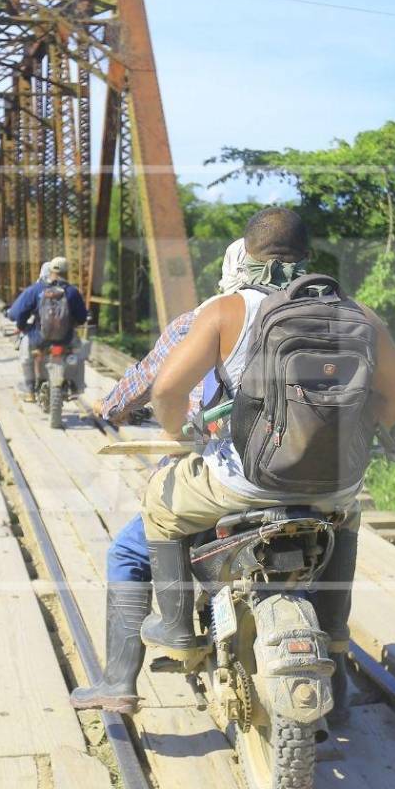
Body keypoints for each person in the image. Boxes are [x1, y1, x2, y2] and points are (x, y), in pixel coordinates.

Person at [139, 207, 395, 724]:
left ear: (247, 254)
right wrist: (359, 430)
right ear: (307, 255)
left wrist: (179, 433)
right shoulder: (357, 313)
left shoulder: (226, 310)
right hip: (334, 484)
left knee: (159, 505)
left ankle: (176, 629)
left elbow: (167, 391)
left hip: (244, 481)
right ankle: (333, 641)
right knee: (347, 517)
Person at [69, 239, 247, 716]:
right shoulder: (312, 317)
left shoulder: (200, 321)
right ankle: (335, 674)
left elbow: (149, 381)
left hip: (220, 477)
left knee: (129, 552)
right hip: (306, 478)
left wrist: (112, 406)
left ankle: (120, 680)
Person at [6, 256, 88, 402]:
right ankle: (76, 386)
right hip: (65, 338)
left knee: (25, 356)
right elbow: (82, 318)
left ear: (49, 270)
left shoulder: (36, 290)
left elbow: (16, 314)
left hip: (39, 338)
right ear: (67, 271)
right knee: (80, 353)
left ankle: (30, 391)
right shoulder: (72, 292)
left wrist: (22, 326)